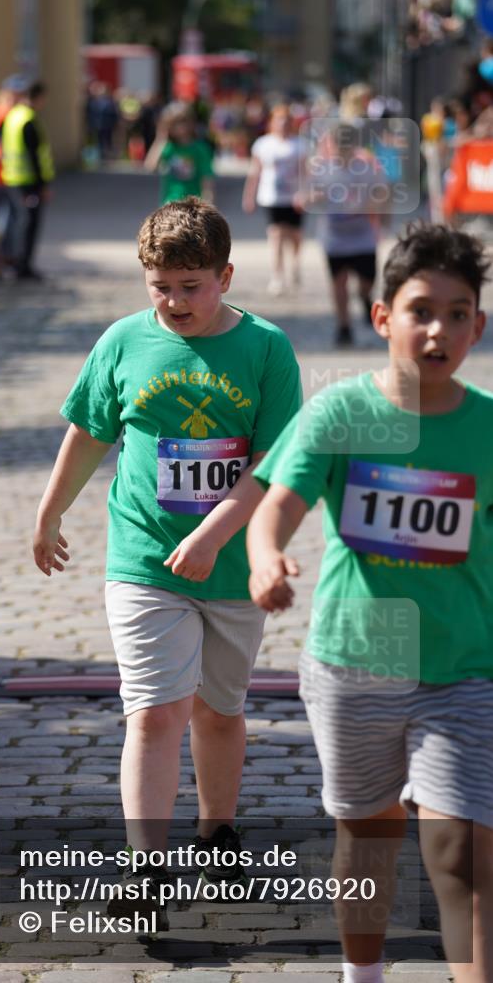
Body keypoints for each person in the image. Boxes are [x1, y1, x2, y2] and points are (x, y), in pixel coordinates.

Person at [33, 196, 301, 915]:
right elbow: (89, 430)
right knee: (155, 711)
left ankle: (217, 835)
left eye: (192, 285)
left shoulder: (265, 347)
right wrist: (50, 509)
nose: (176, 301)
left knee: (218, 709)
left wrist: (216, 533)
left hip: (232, 565)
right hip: (143, 560)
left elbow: (275, 462)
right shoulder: (121, 342)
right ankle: (144, 870)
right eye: (161, 286)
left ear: (225, 275)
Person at [247, 224, 492, 983]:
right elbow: (274, 508)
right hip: (358, 662)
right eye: (420, 310)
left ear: (478, 327)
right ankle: (364, 974)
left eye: (458, 314)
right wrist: (265, 558)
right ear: (382, 317)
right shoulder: (337, 414)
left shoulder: (487, 426)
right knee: (368, 836)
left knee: (461, 849)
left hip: (464, 663)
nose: (438, 331)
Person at [309, 123, 384, 348]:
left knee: (366, 283)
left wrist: (371, 205)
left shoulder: (367, 168)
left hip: (362, 237)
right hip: (334, 239)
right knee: (338, 283)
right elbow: (308, 196)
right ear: (331, 145)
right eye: (338, 143)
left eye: (346, 143)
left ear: (354, 145)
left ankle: (364, 297)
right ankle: (344, 327)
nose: (342, 148)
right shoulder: (321, 169)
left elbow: (381, 192)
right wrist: (313, 198)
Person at [242, 104, 306, 295]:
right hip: (271, 197)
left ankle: (295, 266)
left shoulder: (299, 145)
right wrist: (249, 196)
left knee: (295, 236)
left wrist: (304, 193)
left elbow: (305, 173)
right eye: (279, 121)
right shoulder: (263, 144)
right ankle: (277, 276)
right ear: (272, 123)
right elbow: (255, 171)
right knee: (276, 235)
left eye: (286, 122)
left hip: (293, 197)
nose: (283, 125)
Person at [1, 78, 54, 280]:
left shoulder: (13, 115)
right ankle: (23, 266)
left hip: (12, 178)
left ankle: (15, 262)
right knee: (28, 224)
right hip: (28, 182)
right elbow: (34, 155)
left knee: (16, 223)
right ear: (37, 97)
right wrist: (43, 185)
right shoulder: (28, 119)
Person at [144, 103, 214, 204]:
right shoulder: (167, 147)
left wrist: (208, 203)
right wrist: (160, 139)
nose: (179, 127)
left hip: (192, 203)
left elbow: (207, 180)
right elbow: (150, 166)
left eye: (182, 122)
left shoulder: (199, 148)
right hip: (169, 202)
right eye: (173, 124)